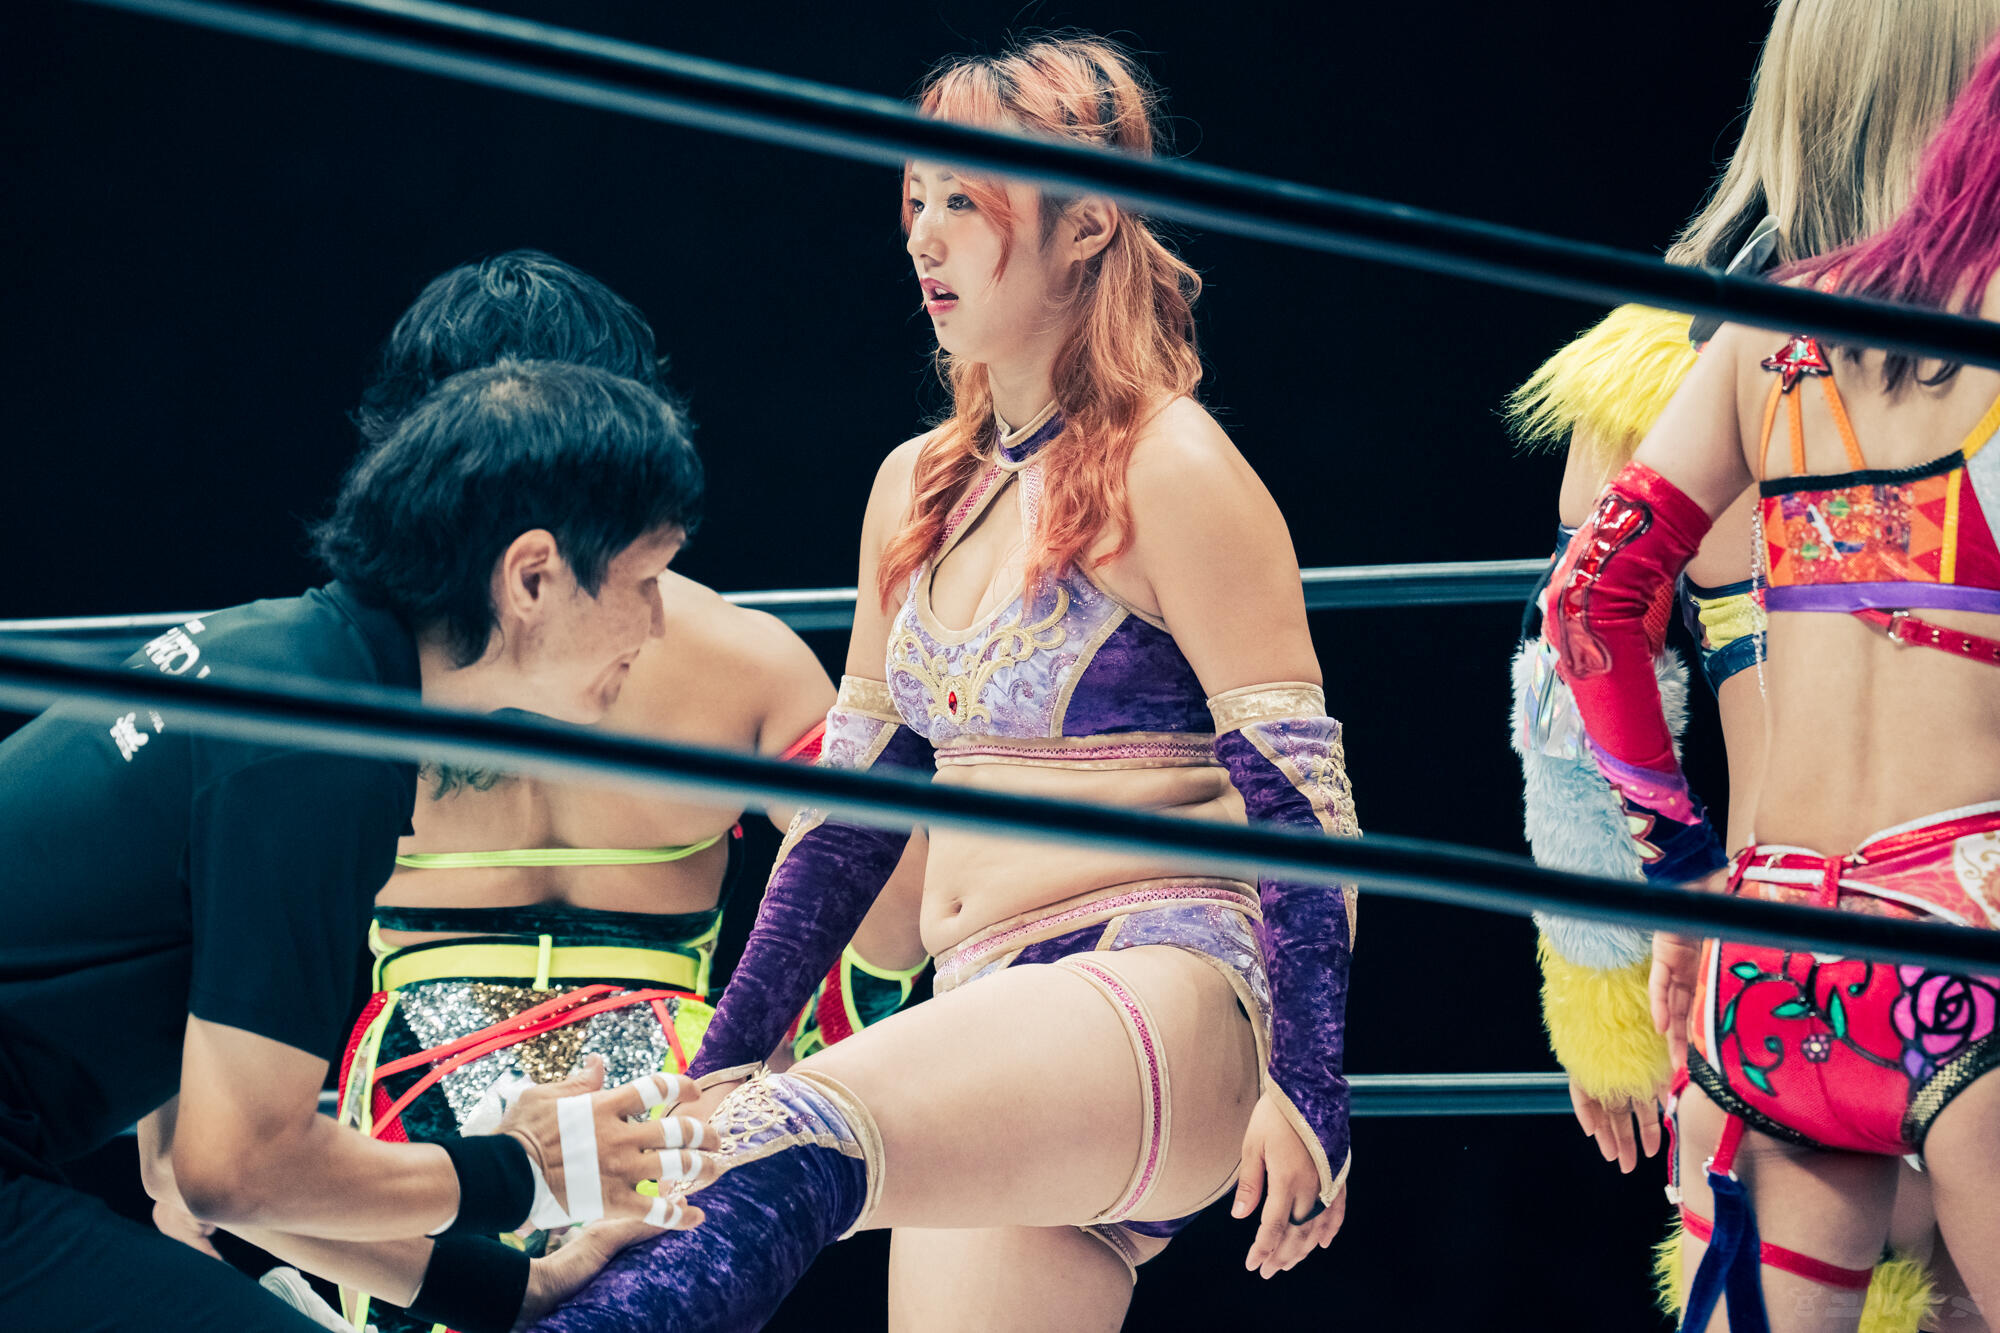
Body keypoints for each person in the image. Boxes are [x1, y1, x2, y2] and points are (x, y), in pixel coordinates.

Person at [528, 35, 1357, 1333]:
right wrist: (727, 1051)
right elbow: (849, 817)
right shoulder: (915, 488)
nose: (923, 236)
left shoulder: (1173, 462)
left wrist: (1310, 1081)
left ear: (1087, 222)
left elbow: (1299, 796)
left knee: (772, 1145)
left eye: (964, 200)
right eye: (915, 199)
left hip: (1157, 993)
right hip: (989, 1022)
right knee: (746, 1122)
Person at [140, 250, 924, 1333]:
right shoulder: (744, 660)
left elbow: (180, 949)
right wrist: (791, 1075)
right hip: (669, 1086)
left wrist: (176, 1138)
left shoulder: (339, 675)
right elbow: (886, 929)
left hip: (416, 1097)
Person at [0, 357, 721, 1332]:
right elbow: (231, 1169)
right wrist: (517, 1172)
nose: (660, 621)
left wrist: (510, 1288)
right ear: (532, 576)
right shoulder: (315, 743)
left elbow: (211, 1161)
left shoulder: (300, 669)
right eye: (647, 578)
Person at [1506, 4, 2000, 1323]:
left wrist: (1675, 882)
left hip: (1771, 957)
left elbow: (1582, 612)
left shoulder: (1748, 339)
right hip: (1968, 938)